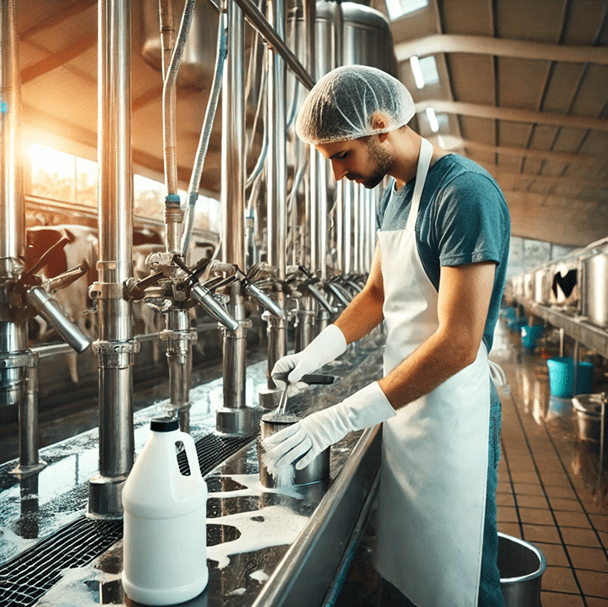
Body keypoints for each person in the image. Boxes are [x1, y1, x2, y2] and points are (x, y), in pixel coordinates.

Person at [262, 65, 510, 607]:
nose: (336, 173)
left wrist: (338, 417)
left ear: (379, 126)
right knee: (407, 569)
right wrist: (316, 350)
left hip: (453, 414)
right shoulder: (392, 192)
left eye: (341, 155)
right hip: (405, 405)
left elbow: (459, 343)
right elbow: (377, 293)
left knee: (459, 576)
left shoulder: (463, 194)